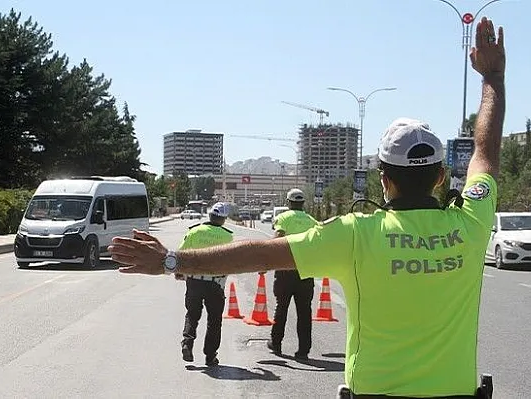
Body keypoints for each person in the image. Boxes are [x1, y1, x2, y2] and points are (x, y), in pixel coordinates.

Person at [109, 17, 504, 398]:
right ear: (440, 177)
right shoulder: (472, 221)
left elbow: (258, 254)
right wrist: (492, 80)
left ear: (384, 177)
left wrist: (171, 262)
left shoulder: (356, 233)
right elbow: (485, 152)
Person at [174, 202, 234, 367]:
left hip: (194, 281)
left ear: (210, 215)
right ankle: (210, 356)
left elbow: (181, 254)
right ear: (223, 219)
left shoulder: (195, 231)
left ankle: (187, 343)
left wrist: (179, 272)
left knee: (192, 315)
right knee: (214, 321)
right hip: (215, 284)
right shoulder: (228, 237)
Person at [267, 188, 318, 359]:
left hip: (285, 271)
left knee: (281, 307)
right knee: (304, 312)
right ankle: (303, 350)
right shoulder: (312, 221)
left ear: (289, 203)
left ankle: (276, 343)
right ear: (303, 203)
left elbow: (278, 238)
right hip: (305, 271)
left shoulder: (283, 217)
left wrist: (268, 262)